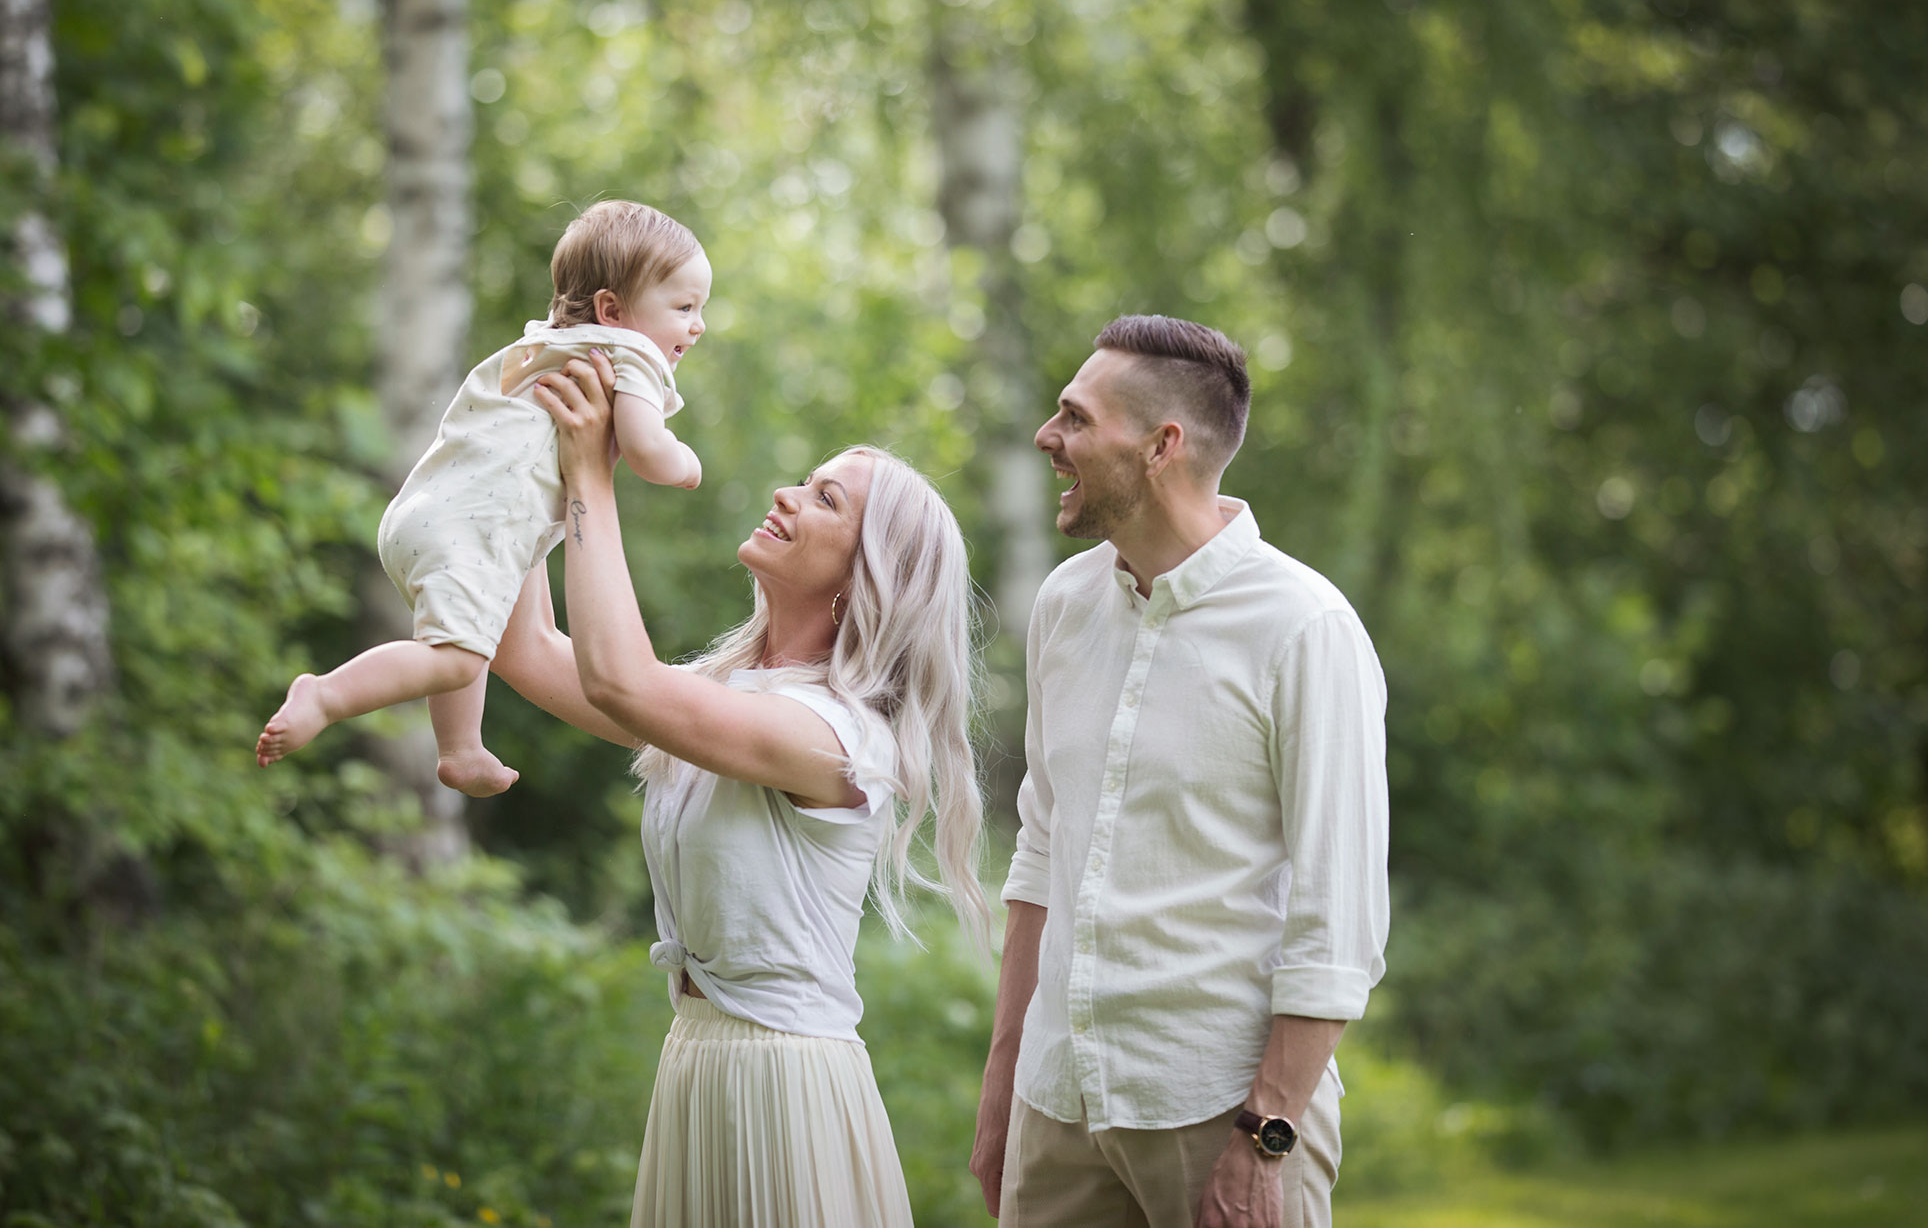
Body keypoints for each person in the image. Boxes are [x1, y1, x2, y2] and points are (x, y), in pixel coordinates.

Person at [499, 350, 992, 1228]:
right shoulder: (728, 695)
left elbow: (620, 680)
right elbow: (530, 649)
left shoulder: (837, 736)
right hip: (695, 1063)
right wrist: (529, 462)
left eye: (824, 498)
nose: (786, 495)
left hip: (783, 1087)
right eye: (805, 480)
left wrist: (591, 472)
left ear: (862, 579)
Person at [970, 315, 1389, 1228]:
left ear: (1162, 445)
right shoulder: (1064, 604)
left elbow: (1338, 920)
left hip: (1222, 1109)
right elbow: (1042, 854)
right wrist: (1004, 1081)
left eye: (1075, 418)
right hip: (1059, 1100)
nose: (1049, 437)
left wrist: (1267, 1132)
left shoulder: (1305, 628)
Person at [255, 200, 709, 795]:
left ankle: (462, 749)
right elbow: (648, 448)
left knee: (472, 635)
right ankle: (326, 695)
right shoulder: (631, 353)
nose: (697, 326)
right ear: (612, 310)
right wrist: (685, 464)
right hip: (478, 526)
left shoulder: (542, 345)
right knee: (455, 657)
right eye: (684, 307)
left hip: (429, 512)